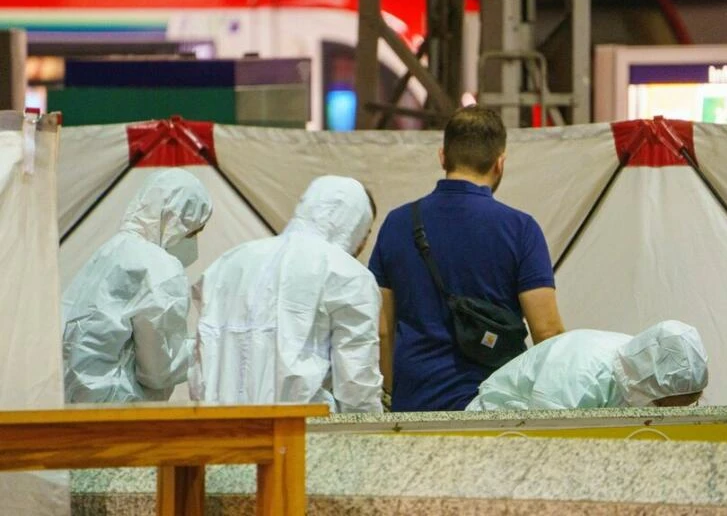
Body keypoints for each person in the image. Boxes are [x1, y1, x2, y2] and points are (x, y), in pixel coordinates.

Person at [369, 105, 565, 412]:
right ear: (500, 163)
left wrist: (394, 392)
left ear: (442, 157)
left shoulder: (397, 223)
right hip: (495, 407)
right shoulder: (520, 229)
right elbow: (547, 331)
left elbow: (382, 327)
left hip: (415, 406)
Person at [191, 175, 383, 413]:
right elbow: (357, 380)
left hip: (219, 428)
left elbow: (201, 359)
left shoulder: (229, 263)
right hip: (300, 434)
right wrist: (366, 434)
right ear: (356, 225)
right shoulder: (348, 275)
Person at [62, 168, 213, 403]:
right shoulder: (159, 268)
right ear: (176, 222)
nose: (193, 241)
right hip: (117, 412)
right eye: (193, 232)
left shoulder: (110, 251)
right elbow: (159, 371)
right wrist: (206, 347)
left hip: (71, 406)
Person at [466, 320, 709, 411]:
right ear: (654, 390)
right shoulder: (578, 377)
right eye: (669, 407)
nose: (675, 414)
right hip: (500, 429)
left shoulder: (638, 365)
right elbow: (552, 445)